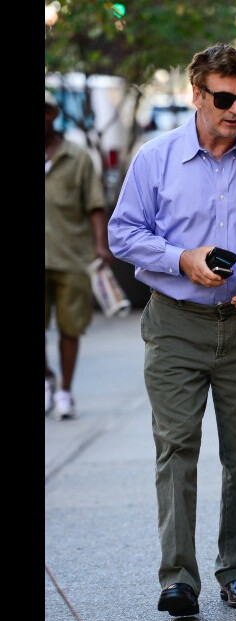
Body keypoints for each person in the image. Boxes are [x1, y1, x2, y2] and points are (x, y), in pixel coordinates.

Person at [108, 44, 236, 617]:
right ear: (197, 95)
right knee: (177, 448)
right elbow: (123, 234)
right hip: (176, 324)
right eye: (225, 98)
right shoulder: (155, 158)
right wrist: (182, 258)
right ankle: (177, 579)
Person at [45, 90, 113, 420]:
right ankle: (47, 379)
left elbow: (95, 205)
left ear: (52, 115)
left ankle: (65, 391)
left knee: (70, 328)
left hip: (71, 256)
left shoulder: (77, 157)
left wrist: (101, 246)